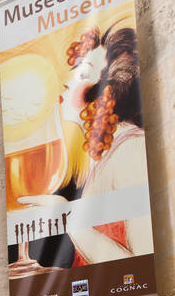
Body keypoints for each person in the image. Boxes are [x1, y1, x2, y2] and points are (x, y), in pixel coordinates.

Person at [19, 22, 149, 266]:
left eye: (83, 73)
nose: (68, 82)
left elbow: (140, 266)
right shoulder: (105, 156)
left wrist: (67, 217)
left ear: (106, 93)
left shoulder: (131, 150)